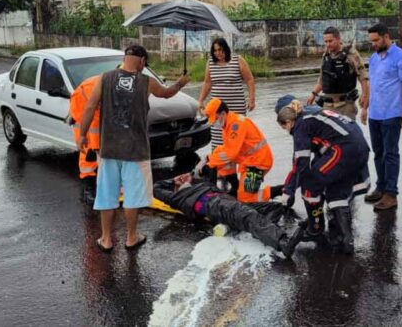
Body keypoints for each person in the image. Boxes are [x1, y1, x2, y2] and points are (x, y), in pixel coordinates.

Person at [78, 45, 190, 252]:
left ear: (125, 58)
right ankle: (131, 237)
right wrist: (181, 83)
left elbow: (90, 106)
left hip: (109, 148)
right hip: (136, 150)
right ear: (141, 61)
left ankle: (106, 239)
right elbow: (167, 94)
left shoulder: (104, 78)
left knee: (106, 194)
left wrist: (83, 134)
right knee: (132, 195)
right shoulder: (146, 82)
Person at [276, 97, 370, 254]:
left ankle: (316, 228)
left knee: (309, 185)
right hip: (359, 147)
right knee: (336, 191)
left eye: (284, 127)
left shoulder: (300, 125)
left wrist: (289, 191)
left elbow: (301, 163)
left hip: (343, 150)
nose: (287, 131)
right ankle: (346, 240)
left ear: (288, 121)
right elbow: (321, 146)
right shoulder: (311, 111)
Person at [154, 173, 302, 258]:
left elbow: (207, 176)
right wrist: (173, 181)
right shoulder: (177, 198)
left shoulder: (199, 185)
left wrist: (188, 178)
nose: (182, 182)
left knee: (273, 207)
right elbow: (156, 189)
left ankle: (259, 229)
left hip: (228, 202)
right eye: (178, 185)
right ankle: (283, 243)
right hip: (215, 206)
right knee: (248, 215)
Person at [362, 23, 402, 211]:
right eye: (372, 41)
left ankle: (391, 195)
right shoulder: (374, 58)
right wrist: (365, 107)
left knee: (390, 153)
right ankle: (381, 187)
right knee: (378, 153)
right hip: (375, 114)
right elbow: (373, 84)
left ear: (386, 37)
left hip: (393, 114)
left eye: (376, 40)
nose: (374, 44)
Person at [199, 97, 273, 203]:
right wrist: (208, 158)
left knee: (246, 199)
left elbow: (231, 153)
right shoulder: (228, 124)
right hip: (249, 160)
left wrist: (209, 164)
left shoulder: (236, 125)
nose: (214, 123)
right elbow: (227, 149)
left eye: (215, 119)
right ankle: (235, 187)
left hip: (258, 163)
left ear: (223, 114)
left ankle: (280, 191)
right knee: (218, 152)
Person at [197, 38, 256, 148]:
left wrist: (251, 100)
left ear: (226, 48)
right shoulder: (210, 63)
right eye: (215, 51)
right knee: (218, 141)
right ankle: (219, 163)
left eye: (220, 50)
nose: (218, 53)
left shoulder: (237, 60)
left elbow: (249, 79)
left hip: (236, 108)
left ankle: (238, 162)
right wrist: (200, 100)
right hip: (218, 110)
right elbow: (207, 83)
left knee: (237, 138)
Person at [306, 27, 370, 122]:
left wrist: (365, 95)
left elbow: (362, 75)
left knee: (348, 134)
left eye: (330, 41)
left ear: (338, 39)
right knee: (329, 134)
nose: (328, 44)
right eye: (326, 41)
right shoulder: (326, 55)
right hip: (328, 105)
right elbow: (322, 79)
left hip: (346, 105)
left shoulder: (351, 53)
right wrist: (313, 94)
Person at [69, 75, 101, 203]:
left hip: (91, 113)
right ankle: (89, 187)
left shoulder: (109, 81)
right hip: (83, 113)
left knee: (97, 148)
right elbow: (92, 108)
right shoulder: (98, 85)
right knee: (89, 150)